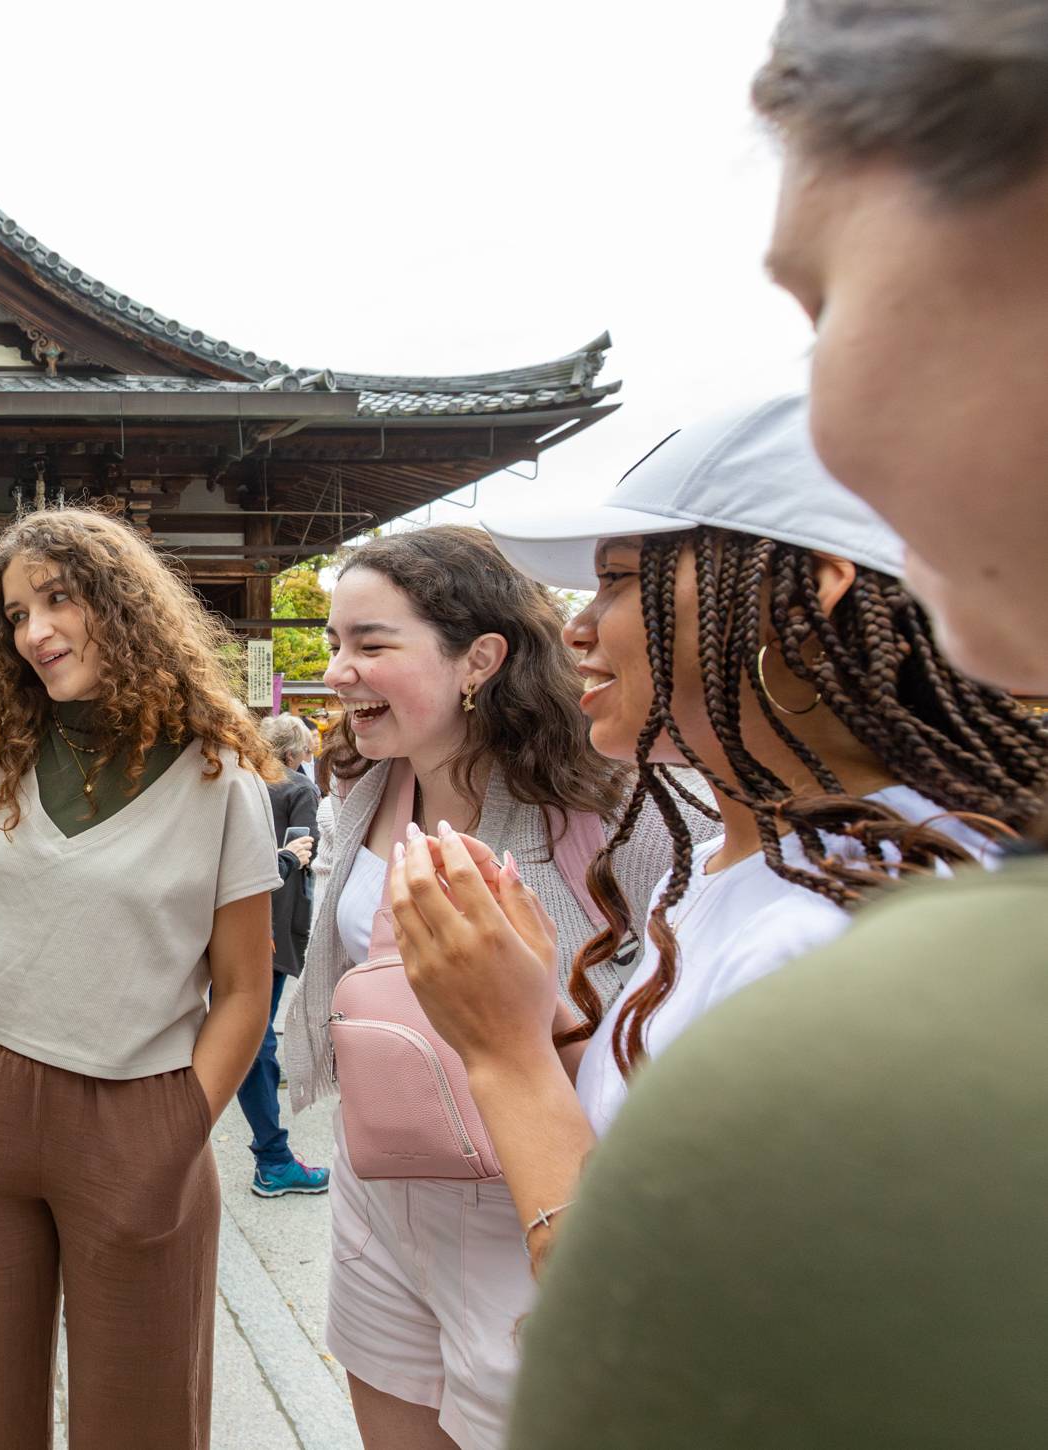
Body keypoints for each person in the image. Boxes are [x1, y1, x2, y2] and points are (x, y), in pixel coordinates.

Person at [502, 8, 1048, 1446]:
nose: (576, 628)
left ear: (800, 591)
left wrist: (503, 1051)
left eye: (622, 582)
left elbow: (651, 1322)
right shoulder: (738, 857)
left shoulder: (872, 935)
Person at [277, 523, 705, 1450]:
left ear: (479, 658)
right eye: (336, 644)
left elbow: (695, 970)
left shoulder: (612, 799)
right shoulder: (364, 786)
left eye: (371, 644)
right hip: (381, 1179)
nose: (339, 671)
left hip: (533, 1189)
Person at [0, 507, 279, 1449]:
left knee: (144, 1414)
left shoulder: (220, 779)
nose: (36, 631)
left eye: (60, 599)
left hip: (140, 1107)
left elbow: (242, 987)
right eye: (17, 612)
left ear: (125, 604)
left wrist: (183, 1121)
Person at [236, 714, 329, 1198]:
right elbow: (300, 855)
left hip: (228, 921)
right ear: (296, 750)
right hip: (271, 922)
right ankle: (273, 1158)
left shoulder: (239, 777)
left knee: (240, 1027)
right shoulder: (297, 789)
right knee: (255, 1038)